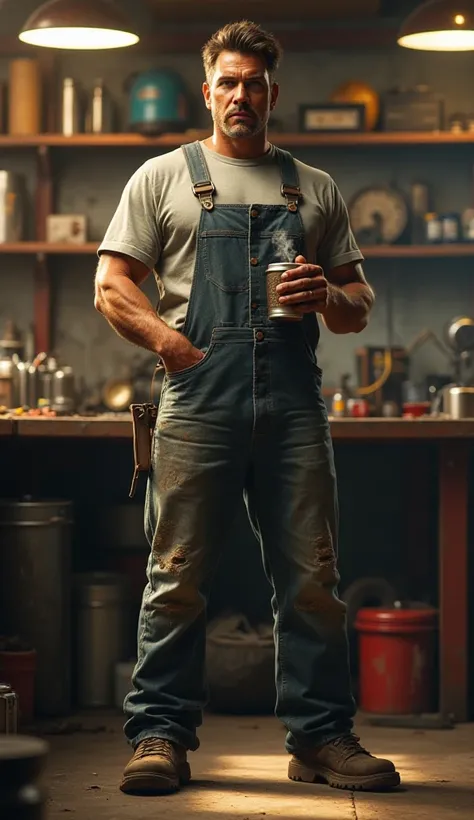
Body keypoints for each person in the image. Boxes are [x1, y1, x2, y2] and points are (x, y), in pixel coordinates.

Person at [95, 19, 400, 796]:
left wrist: (327, 293)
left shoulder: (314, 186)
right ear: (208, 92)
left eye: (254, 83)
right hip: (198, 397)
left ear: (273, 92)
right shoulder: (163, 178)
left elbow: (359, 304)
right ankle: (160, 733)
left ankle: (321, 738)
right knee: (177, 573)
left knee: (312, 578)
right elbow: (111, 285)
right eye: (227, 82)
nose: (241, 95)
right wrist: (172, 346)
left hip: (295, 404)